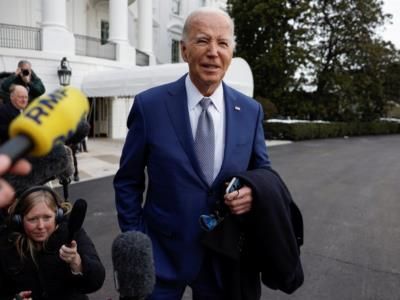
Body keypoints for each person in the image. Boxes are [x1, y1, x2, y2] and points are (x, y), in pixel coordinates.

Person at [114, 7, 270, 300]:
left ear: (231, 53)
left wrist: (254, 192)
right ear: (184, 50)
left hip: (222, 257)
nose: (213, 52)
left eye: (222, 43)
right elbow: (127, 181)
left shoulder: (250, 111)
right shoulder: (150, 106)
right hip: (160, 257)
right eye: (202, 41)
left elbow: (263, 172)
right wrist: (138, 239)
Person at [0, 185, 105, 300]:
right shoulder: (7, 244)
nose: (40, 226)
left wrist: (77, 262)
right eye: (32, 219)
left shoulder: (72, 232)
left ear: (58, 216)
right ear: (19, 220)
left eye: (47, 218)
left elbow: (96, 281)